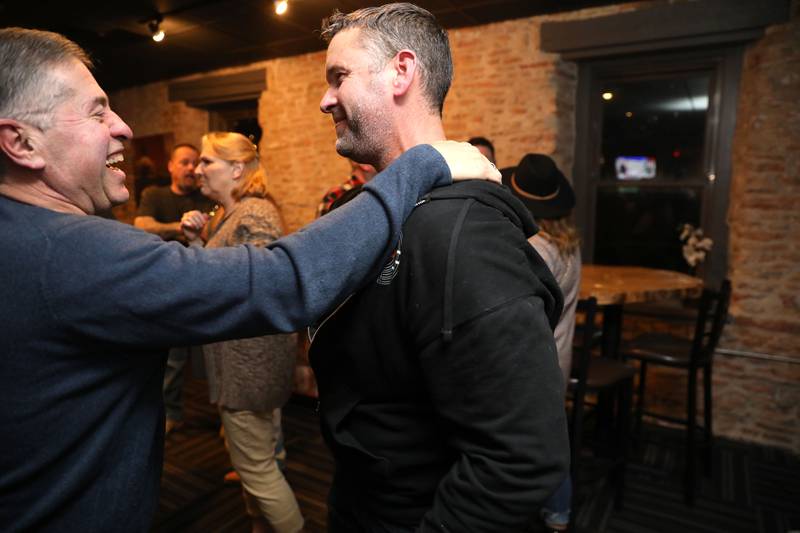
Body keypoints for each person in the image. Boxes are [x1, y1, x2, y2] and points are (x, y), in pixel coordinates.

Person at [0, 27, 498, 532]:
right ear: (21, 142)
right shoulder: (66, 253)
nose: (124, 127)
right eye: (97, 111)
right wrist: (423, 166)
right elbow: (281, 279)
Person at [309, 4, 569, 531]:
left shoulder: (467, 235)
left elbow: (519, 459)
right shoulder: (362, 215)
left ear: (402, 71)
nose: (324, 100)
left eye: (339, 77)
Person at [181, 132, 303, 533]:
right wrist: (196, 242)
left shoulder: (254, 214)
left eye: (206, 162)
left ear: (237, 169)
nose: (197, 170)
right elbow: (219, 279)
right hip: (244, 361)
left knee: (259, 473)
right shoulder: (230, 213)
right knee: (261, 462)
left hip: (249, 364)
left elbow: (260, 289)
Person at [503, 153, 581, 532]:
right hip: (558, 356)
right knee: (550, 438)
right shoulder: (568, 243)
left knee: (527, 444)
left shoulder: (535, 249)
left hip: (532, 362)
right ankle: (558, 512)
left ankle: (543, 511)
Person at [135, 143, 215, 435]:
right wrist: (180, 227)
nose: (191, 168)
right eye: (184, 162)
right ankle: (172, 413)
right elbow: (142, 224)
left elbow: (214, 230)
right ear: (170, 165)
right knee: (173, 358)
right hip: (167, 285)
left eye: (195, 163)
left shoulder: (207, 195)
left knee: (216, 353)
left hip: (204, 284)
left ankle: (230, 416)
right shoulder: (154, 194)